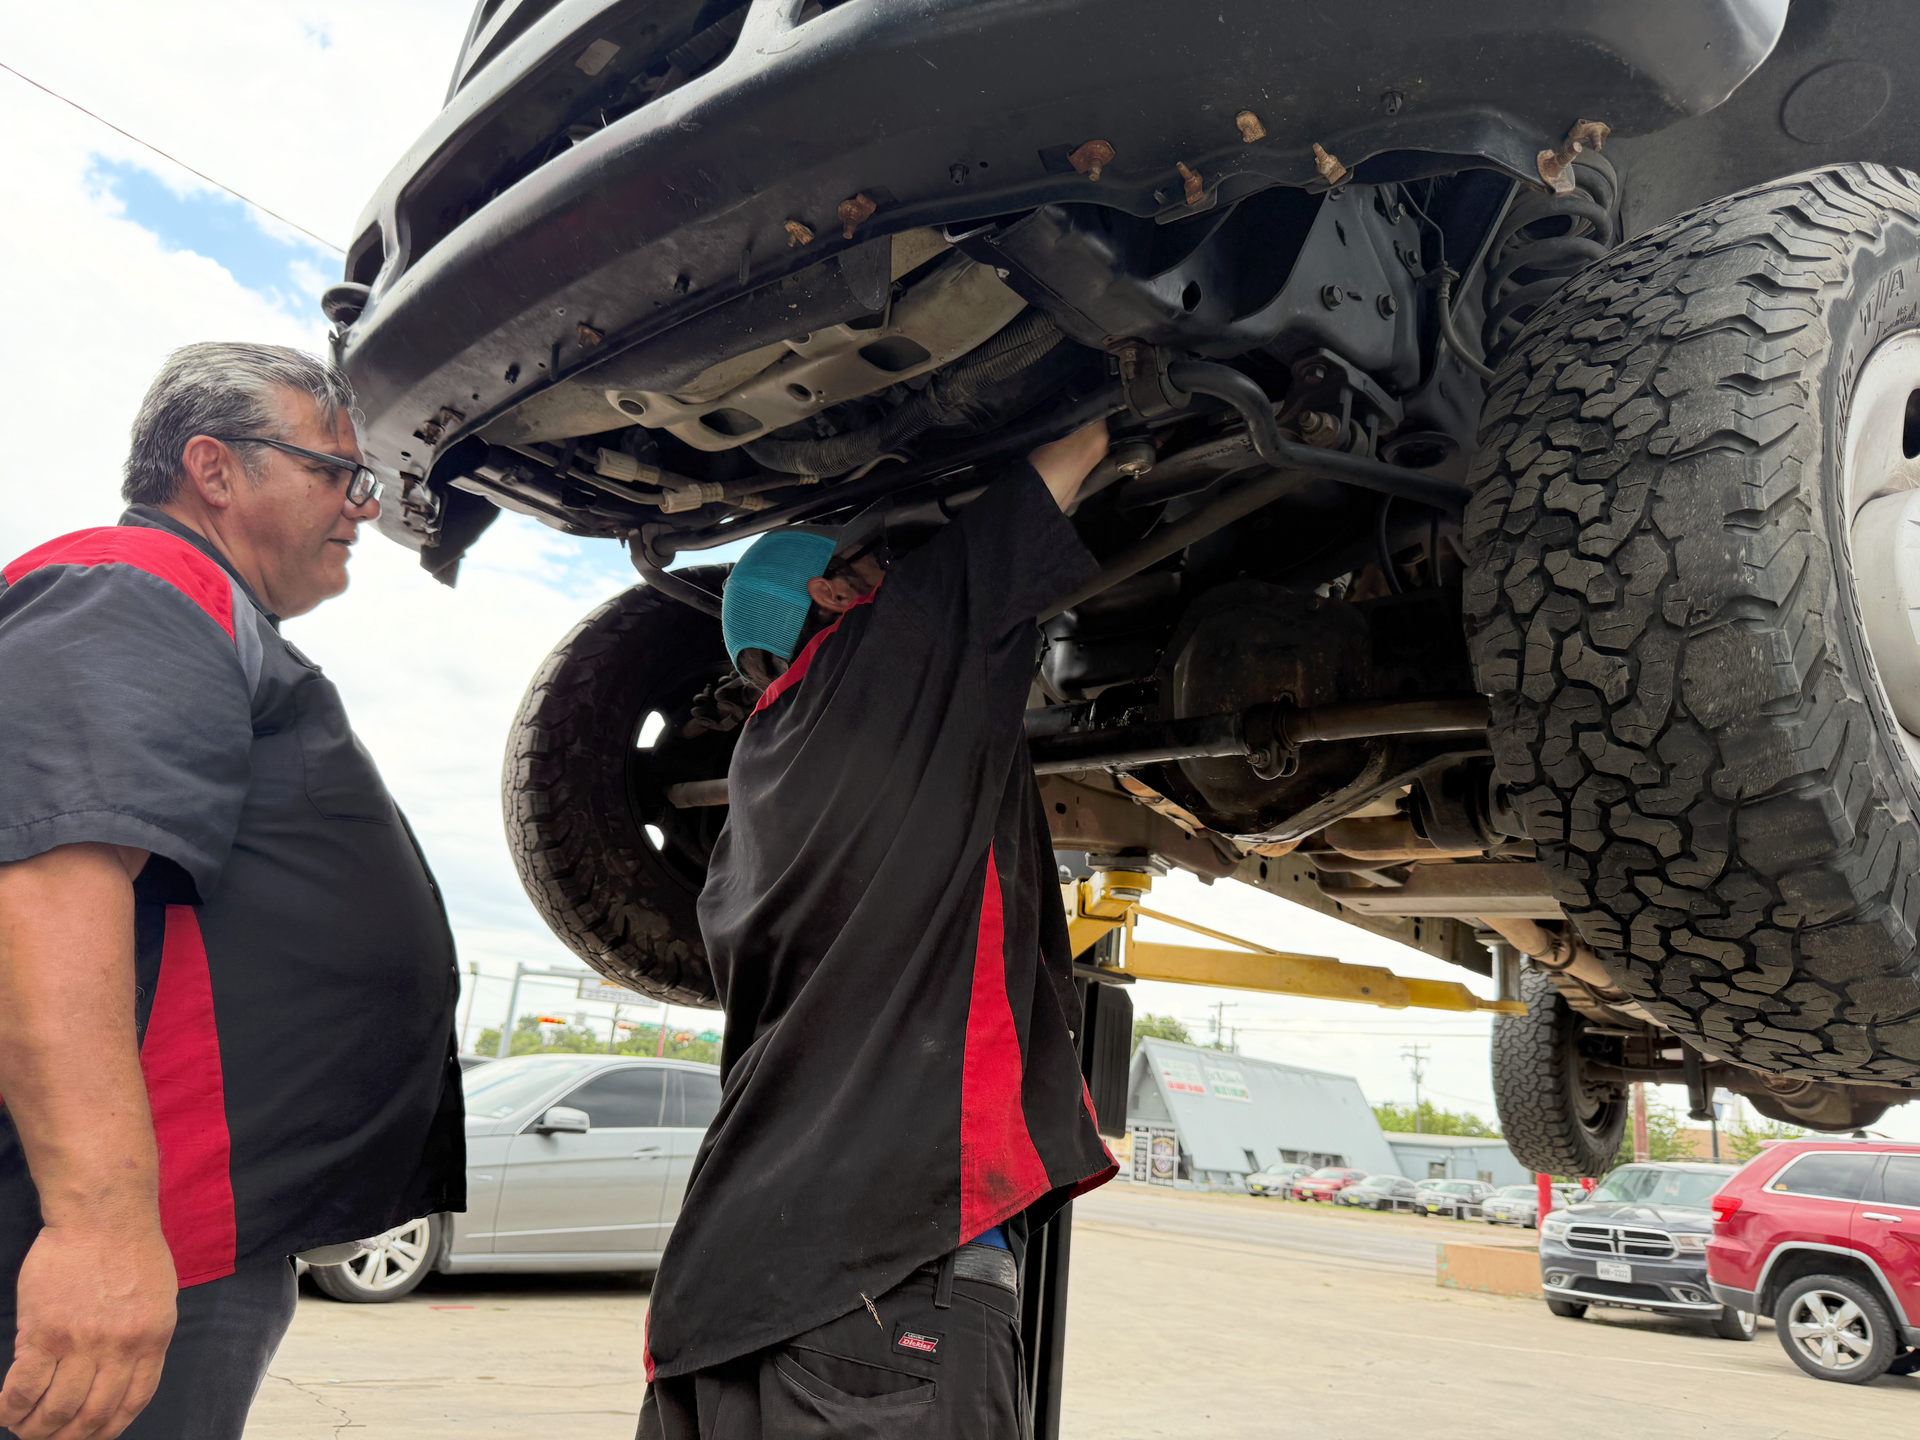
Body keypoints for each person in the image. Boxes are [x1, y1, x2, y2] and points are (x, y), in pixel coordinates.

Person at [0, 344, 466, 1440]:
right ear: (213, 467)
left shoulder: (198, 613)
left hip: (194, 1230)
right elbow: (49, 886)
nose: (364, 508)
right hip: (125, 1232)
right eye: (337, 473)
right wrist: (101, 1231)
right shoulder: (141, 583)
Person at [638, 419, 1117, 1438]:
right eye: (874, 558)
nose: (893, 570)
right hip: (883, 1276)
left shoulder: (750, 793)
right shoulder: (901, 645)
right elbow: (1068, 456)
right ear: (833, 594)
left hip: (719, 1294)